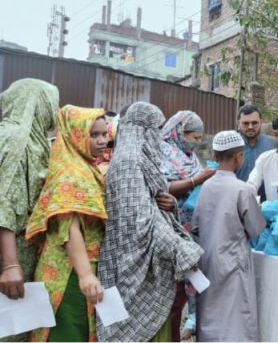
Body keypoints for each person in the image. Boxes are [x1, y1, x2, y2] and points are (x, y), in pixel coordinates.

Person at [98, 102, 204, 343]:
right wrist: (180, 250)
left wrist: (169, 203)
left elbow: (151, 203)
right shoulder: (129, 162)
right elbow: (141, 221)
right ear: (142, 130)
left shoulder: (141, 160)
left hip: (151, 261)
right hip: (135, 265)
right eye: (155, 129)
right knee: (138, 330)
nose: (159, 136)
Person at [25, 107, 110, 342]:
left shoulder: (85, 166)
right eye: (94, 135)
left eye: (104, 134)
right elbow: (69, 228)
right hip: (69, 270)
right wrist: (85, 275)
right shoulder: (71, 174)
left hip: (79, 268)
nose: (102, 141)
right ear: (75, 134)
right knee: (67, 331)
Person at [193, 131, 267, 343]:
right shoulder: (242, 189)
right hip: (233, 263)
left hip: (208, 260)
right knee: (237, 318)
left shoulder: (205, 187)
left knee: (211, 314)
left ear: (215, 157)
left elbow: (196, 226)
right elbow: (255, 228)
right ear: (239, 156)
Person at [0, 79, 58, 302]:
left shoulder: (35, 140)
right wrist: (10, 264)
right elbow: (4, 200)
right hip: (10, 259)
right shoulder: (16, 140)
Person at [158, 110, 213, 237]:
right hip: (170, 221)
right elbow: (163, 187)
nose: (198, 142)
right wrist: (197, 179)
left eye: (200, 138)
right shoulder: (163, 152)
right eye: (195, 138)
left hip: (190, 222)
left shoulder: (190, 155)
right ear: (180, 133)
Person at [235, 104, 272, 182]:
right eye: (246, 123)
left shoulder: (273, 144)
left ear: (261, 122)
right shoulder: (231, 146)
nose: (250, 127)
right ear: (238, 123)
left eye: (254, 123)